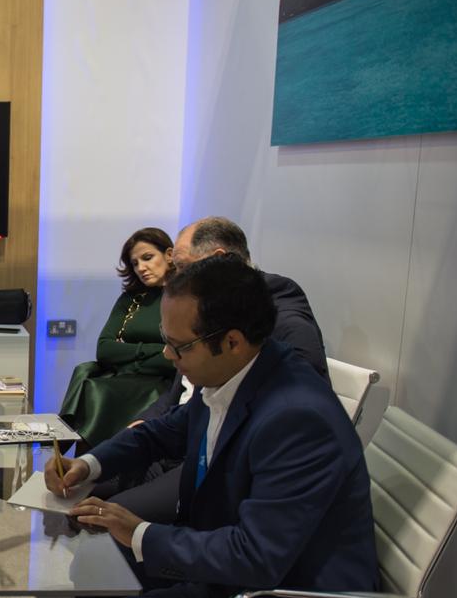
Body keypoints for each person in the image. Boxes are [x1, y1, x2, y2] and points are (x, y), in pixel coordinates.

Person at [44, 256, 378, 598]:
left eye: (179, 346)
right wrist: (87, 465)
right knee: (97, 565)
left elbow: (255, 557)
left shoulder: (296, 417)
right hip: (238, 574)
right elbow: (161, 433)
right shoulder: (235, 377)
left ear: (233, 341)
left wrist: (140, 532)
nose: (168, 355)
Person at [96, 216, 331, 522]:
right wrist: (97, 458)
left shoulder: (283, 324)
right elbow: (183, 411)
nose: (174, 277)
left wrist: (142, 535)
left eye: (181, 267)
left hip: (222, 461)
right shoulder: (205, 315)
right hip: (190, 443)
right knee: (90, 488)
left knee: (111, 516)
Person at [58, 227, 176, 446]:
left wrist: (129, 354)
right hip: (124, 378)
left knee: (99, 391)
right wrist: (153, 349)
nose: (141, 268)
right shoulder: (131, 299)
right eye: (135, 263)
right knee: (90, 381)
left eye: (147, 258)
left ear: (169, 255)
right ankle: (84, 457)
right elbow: (104, 349)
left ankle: (86, 455)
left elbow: (174, 358)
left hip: (160, 385)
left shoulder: (182, 297)